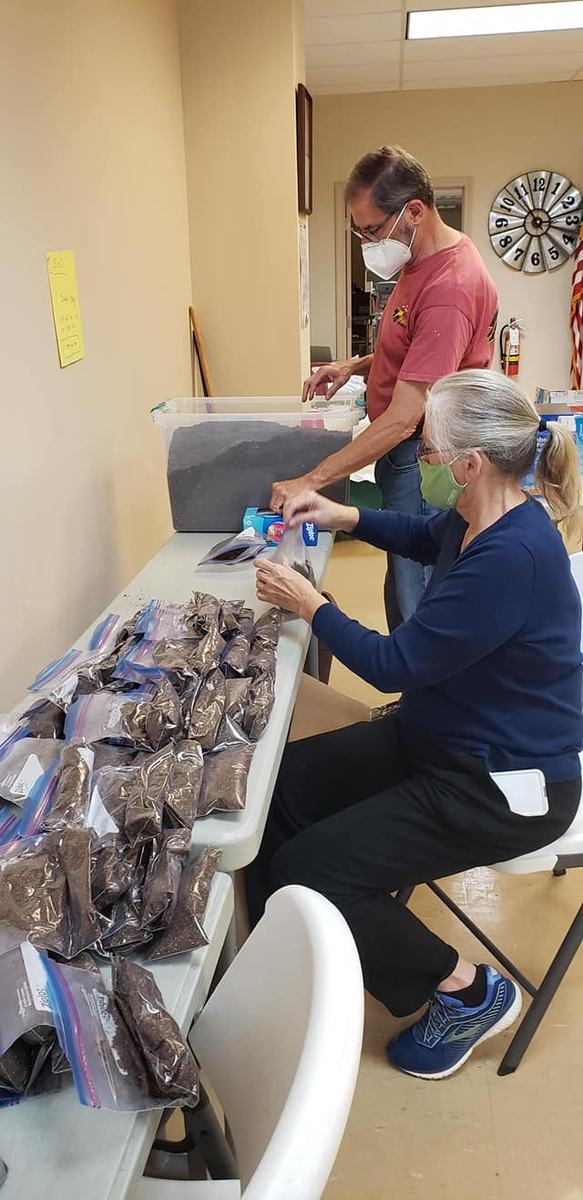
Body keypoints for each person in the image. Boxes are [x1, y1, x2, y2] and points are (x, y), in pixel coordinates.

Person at [249, 369, 582, 1080]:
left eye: (429, 452)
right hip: (441, 738)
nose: (422, 463)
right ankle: (289, 958)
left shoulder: (511, 555)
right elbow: (424, 533)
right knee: (279, 794)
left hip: (499, 784)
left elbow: (391, 664)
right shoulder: (482, 514)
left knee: (311, 868)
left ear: (469, 464)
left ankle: (468, 991)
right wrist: (343, 516)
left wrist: (309, 603)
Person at [271, 146, 498, 631]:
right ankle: (413, 698)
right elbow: (420, 355)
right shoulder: (420, 263)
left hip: (423, 458)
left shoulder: (449, 286)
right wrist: (355, 367)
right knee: (401, 578)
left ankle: (421, 703)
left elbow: (402, 419)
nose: (368, 243)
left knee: (417, 594)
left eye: (373, 230)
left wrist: (311, 480)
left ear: (414, 211)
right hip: (407, 457)